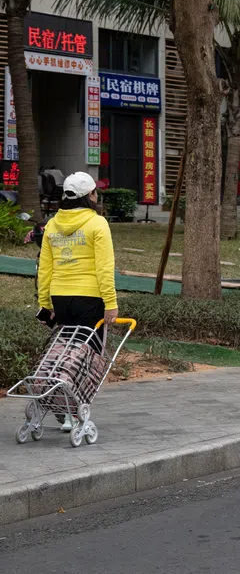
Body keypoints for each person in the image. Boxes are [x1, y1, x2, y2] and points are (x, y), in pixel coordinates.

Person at [36, 172, 116, 432]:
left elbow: (44, 267)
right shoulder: (97, 223)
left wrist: (45, 301)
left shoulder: (52, 224)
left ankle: (64, 410)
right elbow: (105, 268)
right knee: (85, 359)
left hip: (61, 298)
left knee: (65, 354)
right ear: (90, 196)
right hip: (90, 299)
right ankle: (76, 412)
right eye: (95, 192)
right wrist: (111, 303)